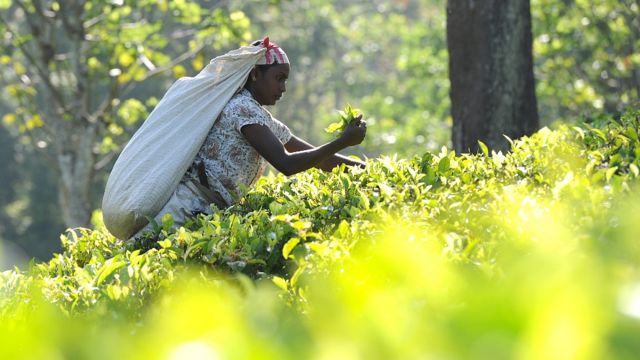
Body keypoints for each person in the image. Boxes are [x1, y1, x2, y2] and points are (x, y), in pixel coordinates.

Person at [132, 37, 367, 238]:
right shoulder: (242, 109)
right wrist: (343, 141)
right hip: (185, 211)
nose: (283, 88)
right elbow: (286, 164)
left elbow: (320, 159)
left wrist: (367, 171)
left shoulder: (260, 117)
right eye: (279, 78)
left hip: (204, 213)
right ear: (255, 74)